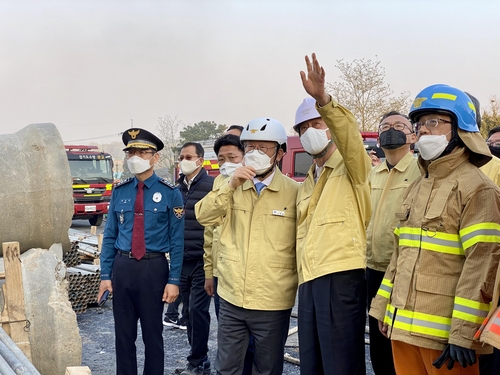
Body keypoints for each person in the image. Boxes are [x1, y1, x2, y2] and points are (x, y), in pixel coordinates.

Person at [369, 84, 500, 375]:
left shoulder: (478, 188)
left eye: (434, 122)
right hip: (401, 326)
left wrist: (464, 333)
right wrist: (382, 306)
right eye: (420, 123)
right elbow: (400, 253)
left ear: (460, 129)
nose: (424, 131)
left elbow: (482, 264)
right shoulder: (418, 185)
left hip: (445, 338)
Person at [195, 117, 300, 375]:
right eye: (250, 147)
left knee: (266, 369)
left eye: (263, 148)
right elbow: (204, 217)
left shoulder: (295, 191)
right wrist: (231, 185)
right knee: (226, 368)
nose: (255, 154)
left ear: (279, 153)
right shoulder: (227, 185)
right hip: (232, 298)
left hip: (272, 302)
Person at [293, 53, 371, 375]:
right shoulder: (310, 178)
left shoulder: (353, 165)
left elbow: (349, 137)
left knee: (341, 365)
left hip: (340, 276)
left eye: (317, 123)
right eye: (304, 127)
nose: (310, 130)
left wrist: (323, 100)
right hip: (309, 279)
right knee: (313, 364)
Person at [98, 127, 184, 375]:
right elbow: (110, 236)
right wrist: (106, 275)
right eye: (131, 152)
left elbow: (177, 241)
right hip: (122, 268)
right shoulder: (120, 191)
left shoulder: (170, 193)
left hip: (153, 268)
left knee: (152, 335)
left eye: (142, 152)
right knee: (123, 337)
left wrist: (174, 280)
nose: (135, 156)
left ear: (155, 157)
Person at [365, 111, 421, 375]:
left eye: (400, 126)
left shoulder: (421, 171)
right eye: (386, 126)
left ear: (412, 136)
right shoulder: (373, 174)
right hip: (370, 270)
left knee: (401, 343)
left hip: (401, 272)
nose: (392, 130)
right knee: (377, 346)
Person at [174, 142, 214, 375]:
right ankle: (196, 359)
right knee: (187, 312)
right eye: (181, 156)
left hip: (202, 260)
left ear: (200, 160)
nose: (184, 160)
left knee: (198, 311)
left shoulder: (212, 186)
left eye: (188, 156)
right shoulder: (176, 189)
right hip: (181, 260)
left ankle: (199, 360)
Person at [200, 134, 244, 319]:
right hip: (221, 271)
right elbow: (210, 231)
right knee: (226, 330)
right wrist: (209, 272)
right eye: (221, 159)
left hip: (244, 269)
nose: (226, 163)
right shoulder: (219, 182)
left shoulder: (255, 183)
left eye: (232, 158)